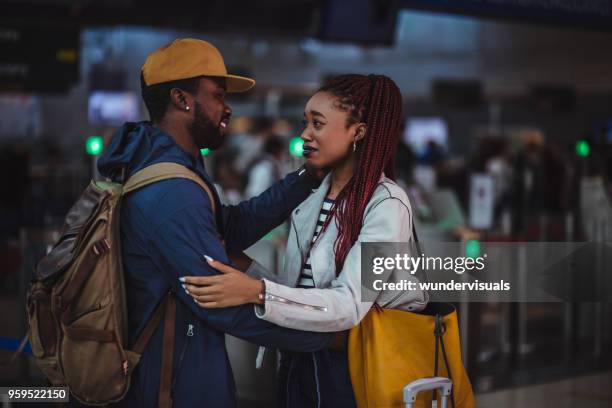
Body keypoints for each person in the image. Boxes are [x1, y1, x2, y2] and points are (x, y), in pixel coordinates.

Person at [96, 38, 334, 407]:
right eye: (218, 95)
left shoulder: (173, 169)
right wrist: (328, 331)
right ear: (182, 99)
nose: (227, 108)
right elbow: (222, 303)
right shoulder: (171, 193)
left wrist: (307, 178)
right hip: (169, 386)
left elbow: (231, 226)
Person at [182, 74, 428, 407]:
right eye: (305, 122)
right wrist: (244, 269)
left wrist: (255, 291)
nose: (304, 135)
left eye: (318, 123)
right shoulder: (313, 198)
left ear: (358, 131)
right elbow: (302, 296)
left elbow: (349, 305)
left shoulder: (388, 205)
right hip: (298, 363)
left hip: (353, 373)